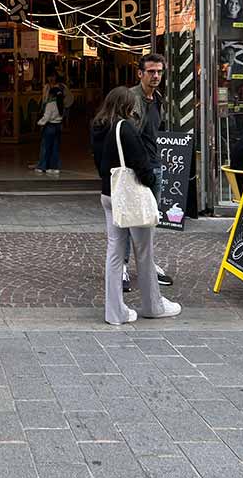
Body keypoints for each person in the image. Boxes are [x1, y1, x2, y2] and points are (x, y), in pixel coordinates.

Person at [91, 86, 182, 325]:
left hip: (109, 193)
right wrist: (151, 187)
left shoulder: (98, 127)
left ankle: (115, 311)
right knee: (144, 251)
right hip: (130, 196)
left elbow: (99, 164)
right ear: (126, 105)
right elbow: (142, 165)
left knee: (114, 252)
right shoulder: (126, 128)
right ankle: (153, 305)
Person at [126, 53, 174, 289]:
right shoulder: (130, 99)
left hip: (154, 166)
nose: (156, 76)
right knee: (126, 220)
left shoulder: (158, 99)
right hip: (132, 168)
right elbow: (128, 135)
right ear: (140, 73)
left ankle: (147, 264)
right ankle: (122, 266)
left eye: (159, 72)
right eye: (151, 71)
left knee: (149, 220)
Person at [34, 84, 63, 175]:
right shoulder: (61, 104)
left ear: (51, 95)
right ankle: (54, 167)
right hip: (58, 126)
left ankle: (42, 166)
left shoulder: (50, 104)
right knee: (55, 147)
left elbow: (46, 117)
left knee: (45, 147)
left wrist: (39, 122)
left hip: (49, 127)